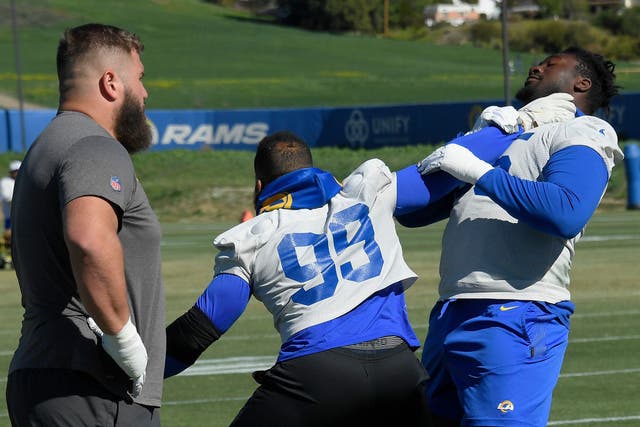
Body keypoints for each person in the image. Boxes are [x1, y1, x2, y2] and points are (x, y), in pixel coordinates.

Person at [397, 46, 623, 427]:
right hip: (453, 308)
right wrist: (478, 140)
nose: (536, 66)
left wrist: (480, 172)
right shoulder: (503, 136)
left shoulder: (581, 130)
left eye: (551, 64)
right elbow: (412, 213)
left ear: (581, 83)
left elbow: (566, 210)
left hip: (516, 309)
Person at [6, 23, 164, 426]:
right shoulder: (95, 145)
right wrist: (127, 345)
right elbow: (89, 238)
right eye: (140, 79)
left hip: (46, 375)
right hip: (94, 385)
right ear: (111, 83)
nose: (144, 93)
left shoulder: (43, 149)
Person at [0, 160, 20, 260]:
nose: (17, 173)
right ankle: (8, 257)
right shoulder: (5, 182)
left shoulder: (23, 180)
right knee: (9, 237)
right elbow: (7, 197)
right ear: (11, 172)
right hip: (10, 217)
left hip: (23, 217)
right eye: (15, 170)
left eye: (18, 170)